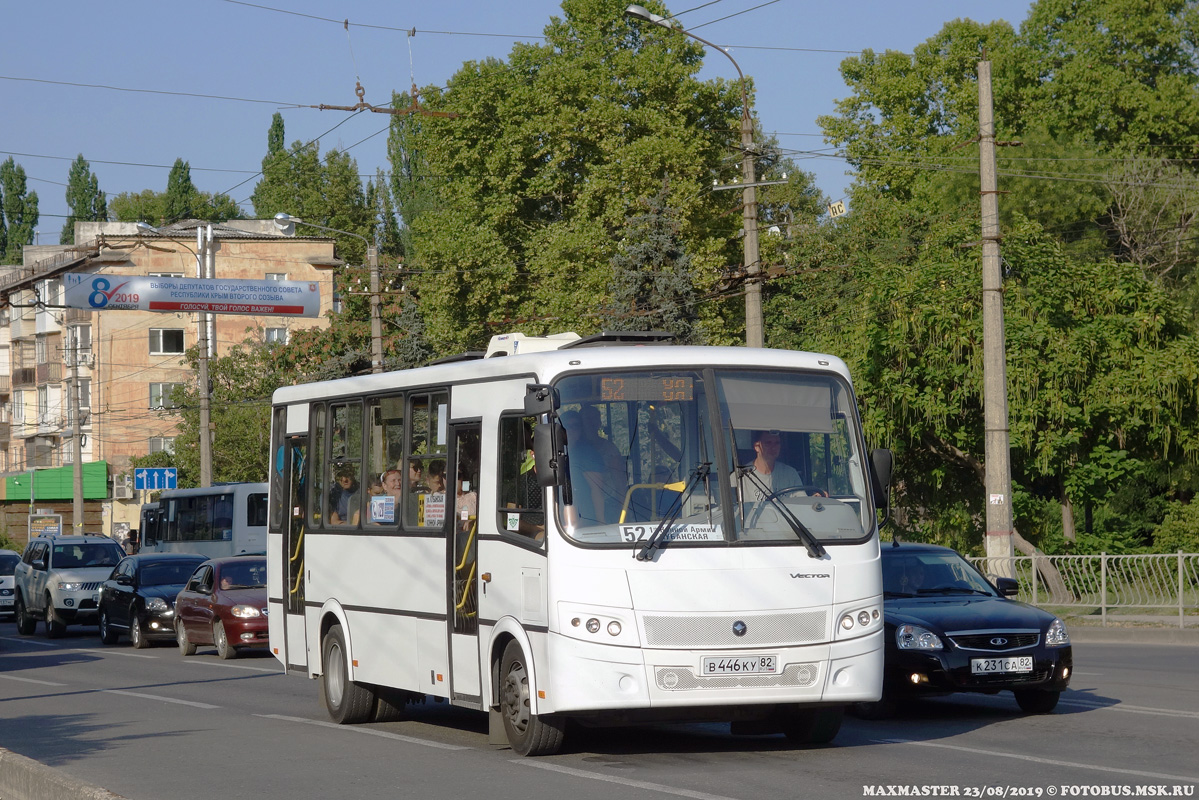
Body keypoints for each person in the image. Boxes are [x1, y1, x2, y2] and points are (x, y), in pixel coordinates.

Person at [561, 406, 627, 524]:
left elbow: (619, 483)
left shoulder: (605, 450)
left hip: (607, 504)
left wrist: (623, 509)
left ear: (599, 423)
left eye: (594, 419)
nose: (590, 423)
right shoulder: (566, 450)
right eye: (587, 419)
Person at [735, 429, 820, 502]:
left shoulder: (790, 474)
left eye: (777, 443)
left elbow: (802, 504)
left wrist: (815, 499)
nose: (773, 447)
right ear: (757, 446)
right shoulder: (740, 477)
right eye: (768, 443)